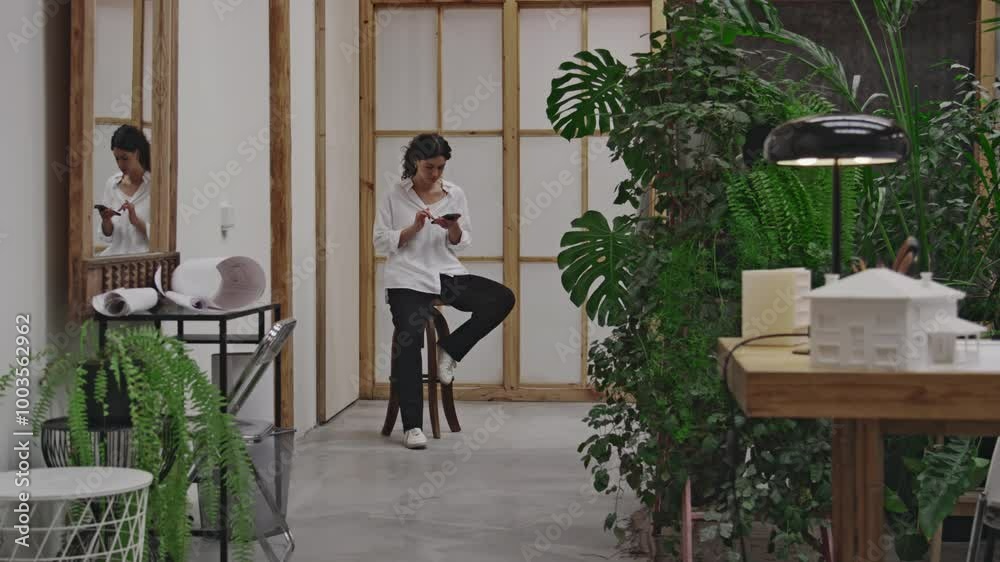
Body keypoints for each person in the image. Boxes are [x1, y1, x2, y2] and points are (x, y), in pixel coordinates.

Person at [374, 133, 515, 450]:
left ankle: (449, 350)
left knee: (501, 298)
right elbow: (380, 241)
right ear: (415, 162)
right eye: (429, 168)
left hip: (445, 274)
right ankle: (412, 426)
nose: (435, 174)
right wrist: (413, 228)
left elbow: (462, 243)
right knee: (409, 337)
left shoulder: (455, 194)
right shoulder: (394, 195)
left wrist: (452, 228)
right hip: (406, 279)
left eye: (440, 167)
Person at [96, 125, 152, 256]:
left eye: (125, 158)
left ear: (137, 154)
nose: (120, 164)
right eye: (117, 158)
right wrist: (106, 220)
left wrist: (137, 222)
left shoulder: (154, 187)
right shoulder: (112, 184)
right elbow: (108, 236)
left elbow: (163, 238)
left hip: (144, 263)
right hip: (114, 260)